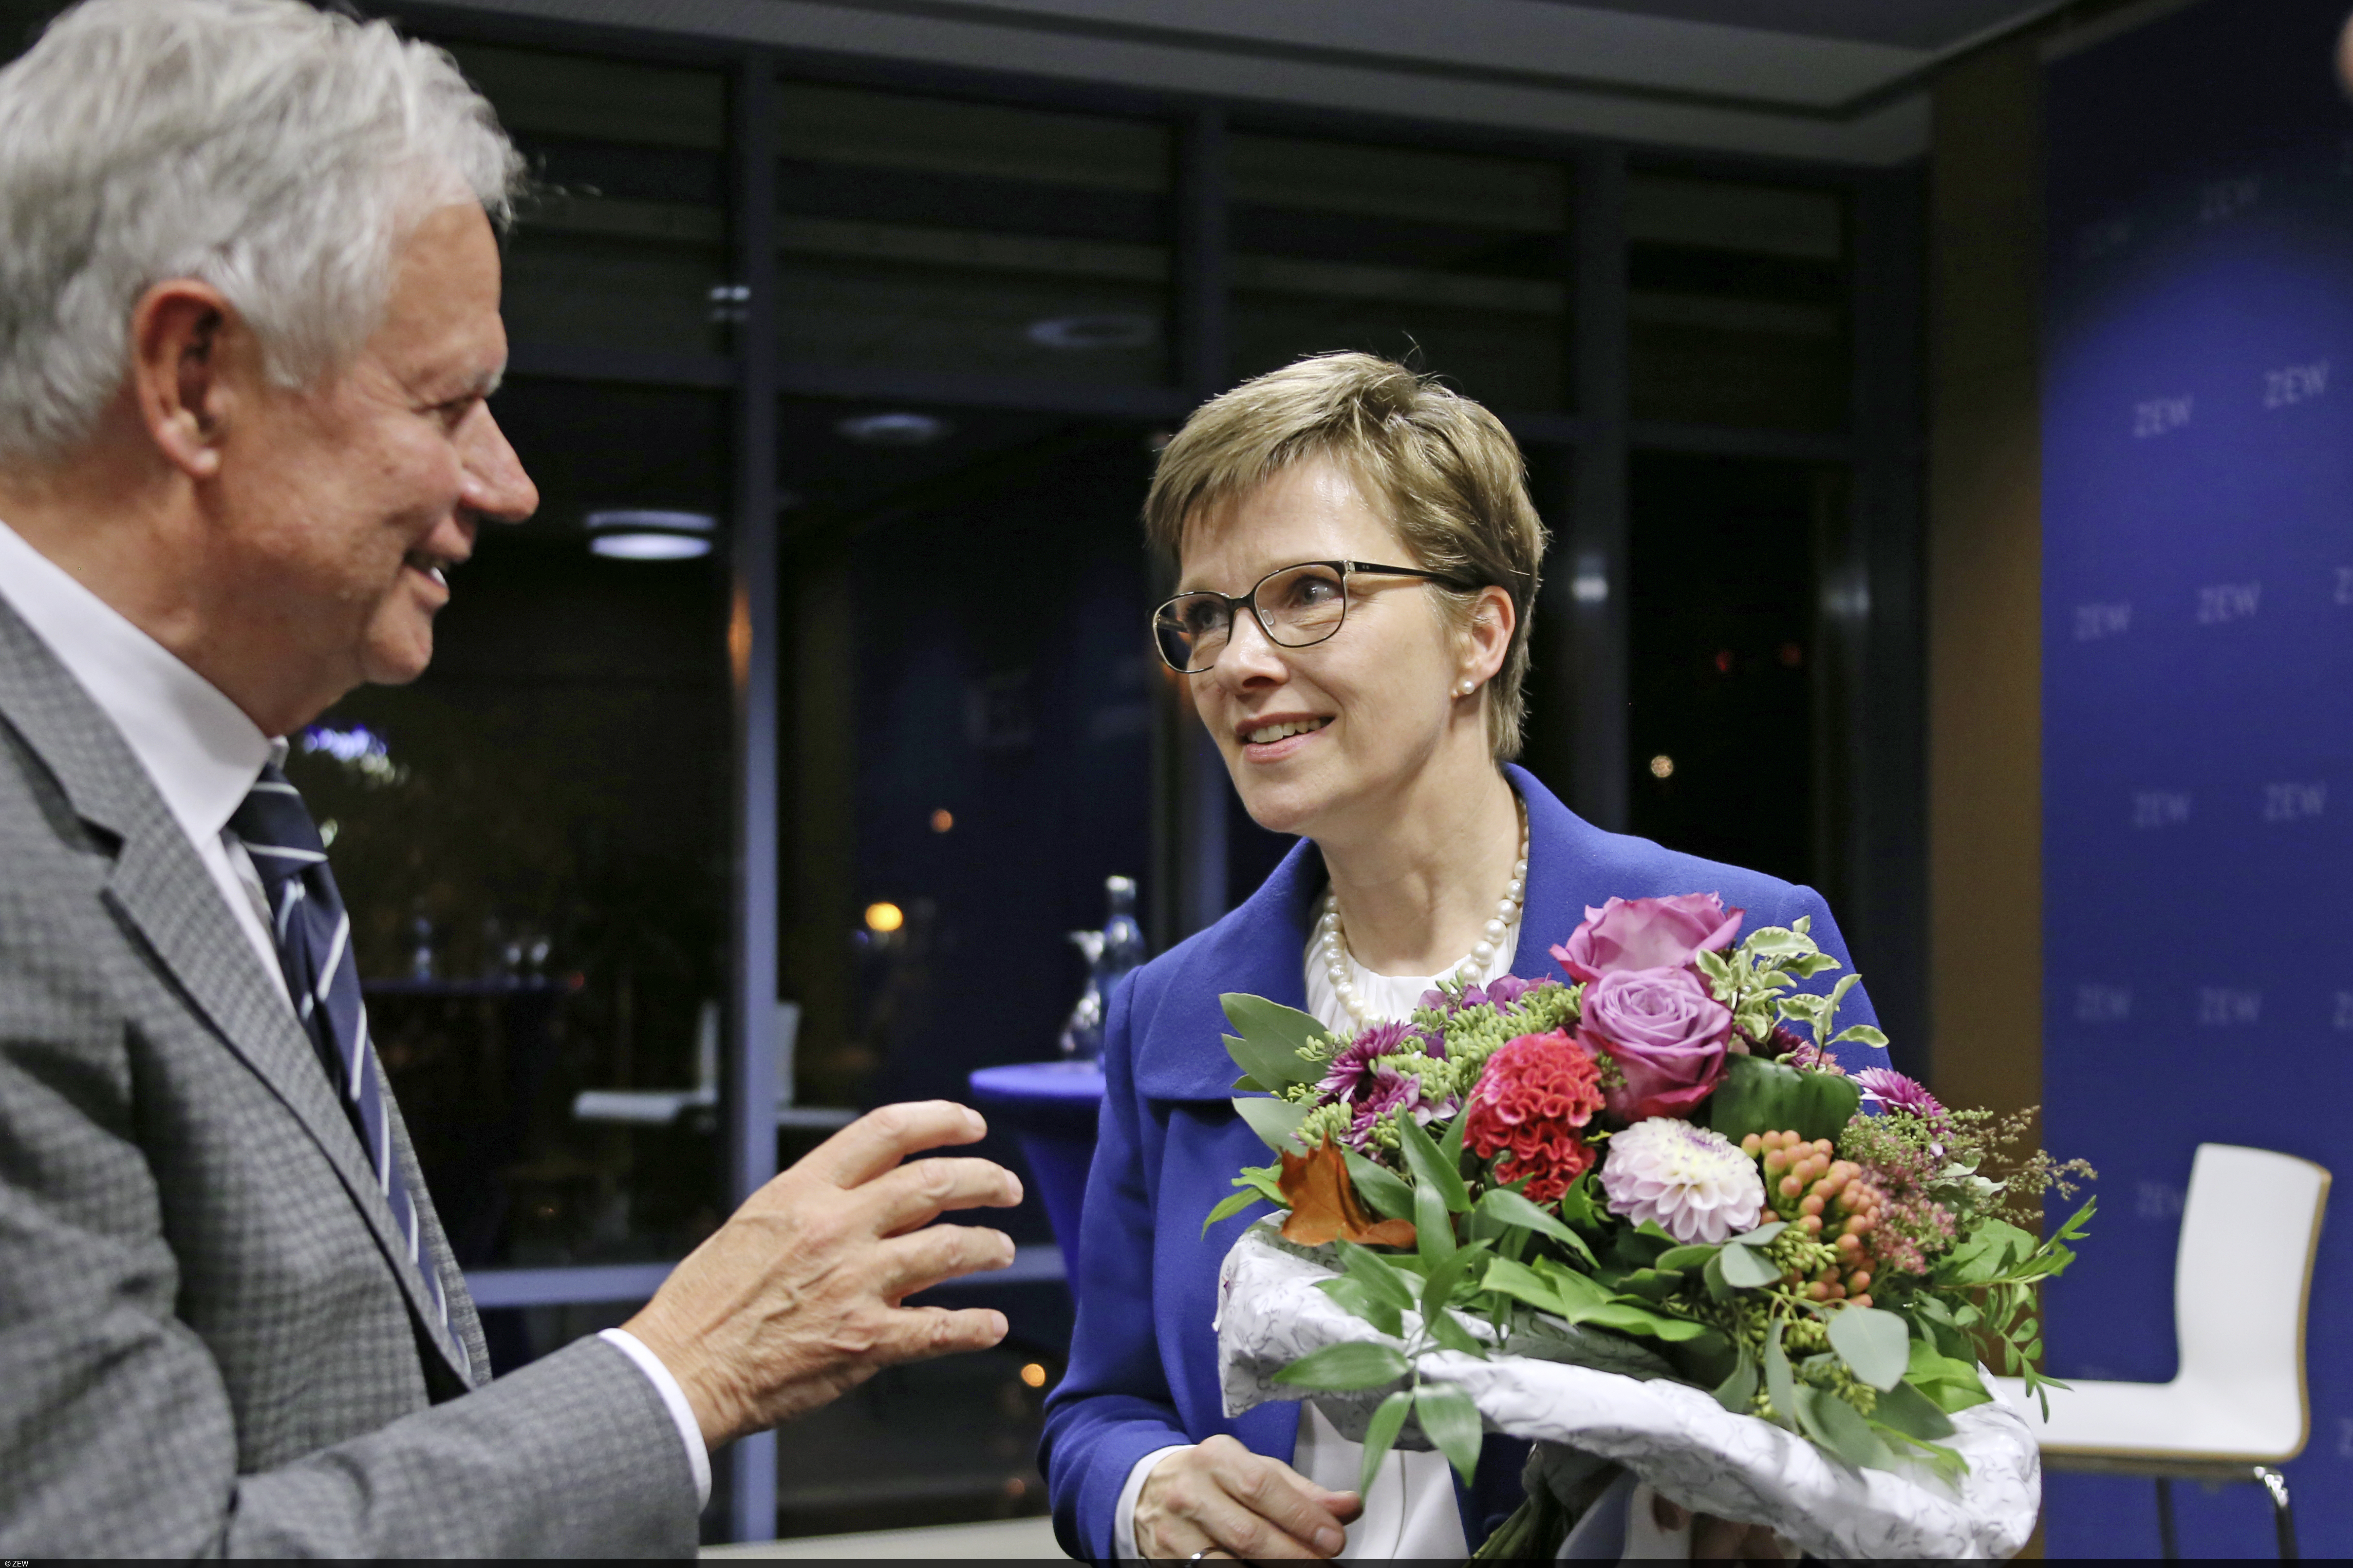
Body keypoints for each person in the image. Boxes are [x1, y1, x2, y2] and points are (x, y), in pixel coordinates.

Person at [0, 0, 1022, 1554]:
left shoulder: (215, 817)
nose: (509, 481)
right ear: (194, 374)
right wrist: (679, 1375)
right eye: (443, 403)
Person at [1040, 352, 1878, 1562]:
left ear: (1478, 633)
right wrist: (1144, 1487)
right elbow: (1096, 1410)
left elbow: (1909, 1363)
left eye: (1310, 591)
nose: (1236, 662)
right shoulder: (1169, 1012)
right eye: (1207, 616)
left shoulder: (1746, 951)